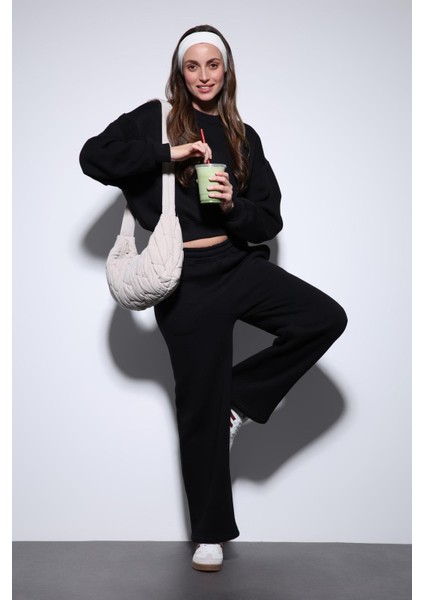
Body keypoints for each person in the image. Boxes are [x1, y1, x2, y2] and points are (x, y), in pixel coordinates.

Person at [79, 24, 347, 572]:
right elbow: (92, 157)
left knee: (324, 317)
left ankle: (238, 400)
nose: (203, 75)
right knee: (197, 407)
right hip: (183, 280)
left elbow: (269, 218)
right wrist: (168, 154)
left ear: (227, 71)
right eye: (193, 66)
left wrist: (232, 207)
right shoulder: (153, 119)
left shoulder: (243, 136)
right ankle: (209, 534)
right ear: (180, 73)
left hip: (235, 264)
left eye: (213, 65)